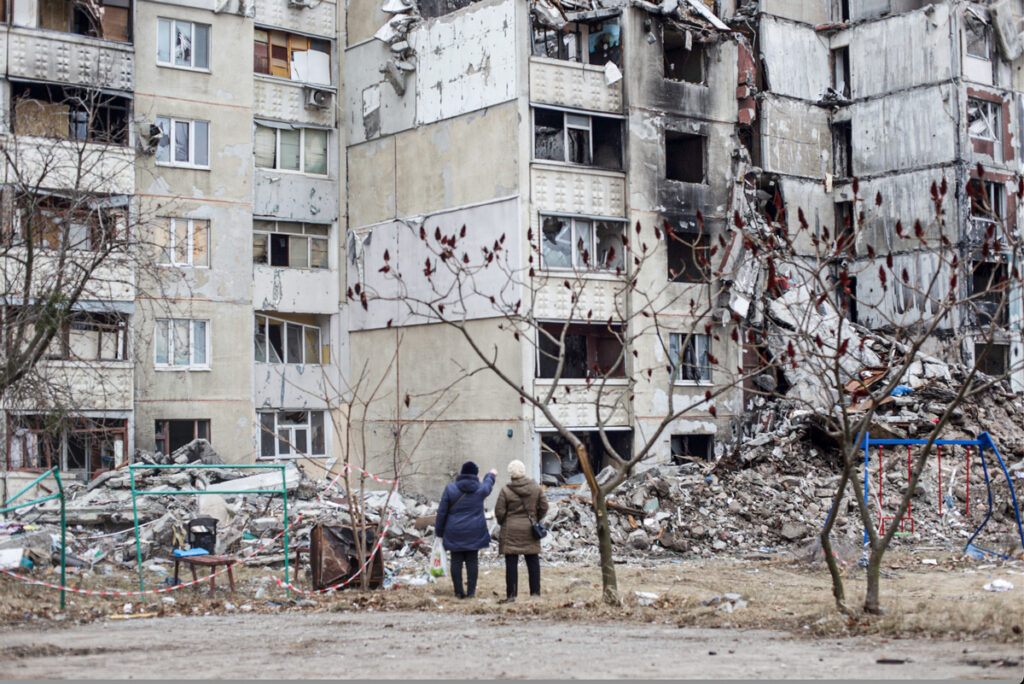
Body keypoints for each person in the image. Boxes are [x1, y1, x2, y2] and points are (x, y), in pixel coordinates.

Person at [434, 461, 497, 599]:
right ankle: (471, 592)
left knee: (456, 561)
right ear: (475, 474)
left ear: (462, 473)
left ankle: (458, 592)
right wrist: (491, 475)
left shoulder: (450, 489)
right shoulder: (480, 489)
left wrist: (439, 531)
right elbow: (488, 485)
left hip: (454, 531)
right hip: (474, 532)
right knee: (472, 561)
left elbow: (442, 512)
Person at [495, 459, 548, 603]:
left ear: (510, 473)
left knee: (511, 563)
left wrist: (504, 523)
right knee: (533, 561)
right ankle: (535, 594)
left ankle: (512, 595)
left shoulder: (506, 490)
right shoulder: (535, 488)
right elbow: (544, 506)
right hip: (530, 529)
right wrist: (535, 518)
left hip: (511, 530)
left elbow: (499, 512)